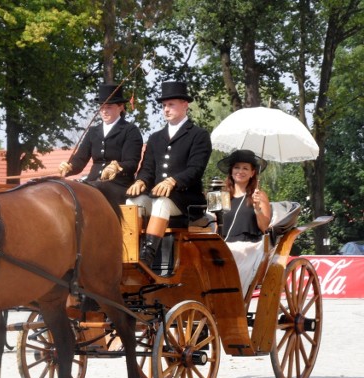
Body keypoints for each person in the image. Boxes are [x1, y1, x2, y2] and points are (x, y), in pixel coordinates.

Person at [126, 81, 211, 267]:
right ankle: (128, 253)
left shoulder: (199, 135)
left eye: (171, 104)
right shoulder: (155, 137)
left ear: (185, 105)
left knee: (161, 203)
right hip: (157, 196)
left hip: (186, 199)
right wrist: (140, 180)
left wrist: (173, 181)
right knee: (133, 202)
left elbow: (196, 169)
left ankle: (147, 256)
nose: (166, 109)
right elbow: (147, 168)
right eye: (164, 105)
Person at [59, 82, 143, 204]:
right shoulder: (93, 131)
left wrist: (117, 167)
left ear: (120, 107)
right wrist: (69, 167)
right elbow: (80, 161)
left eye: (108, 107)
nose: (104, 111)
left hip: (118, 184)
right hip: (92, 182)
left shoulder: (130, 130)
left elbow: (132, 163)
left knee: (91, 190)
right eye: (102, 107)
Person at [217, 149, 271, 297]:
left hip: (248, 246)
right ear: (231, 170)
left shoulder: (258, 195)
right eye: (237, 167)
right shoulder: (221, 195)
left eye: (245, 168)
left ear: (253, 173)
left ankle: (233, 303)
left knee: (234, 258)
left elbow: (264, 227)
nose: (240, 171)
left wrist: (257, 209)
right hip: (222, 244)